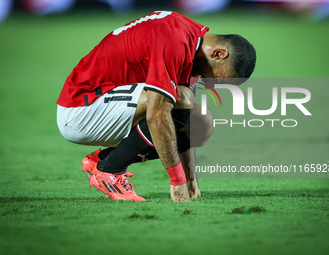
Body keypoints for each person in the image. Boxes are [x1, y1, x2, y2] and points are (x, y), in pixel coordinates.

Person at [56, 11, 256, 202]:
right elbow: (157, 115)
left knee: (201, 123)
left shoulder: (193, 43)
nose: (211, 84)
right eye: (219, 79)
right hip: (82, 108)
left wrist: (190, 179)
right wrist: (177, 180)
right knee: (177, 100)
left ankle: (102, 160)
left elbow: (183, 120)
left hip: (110, 106)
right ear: (219, 54)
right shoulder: (174, 39)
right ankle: (110, 170)